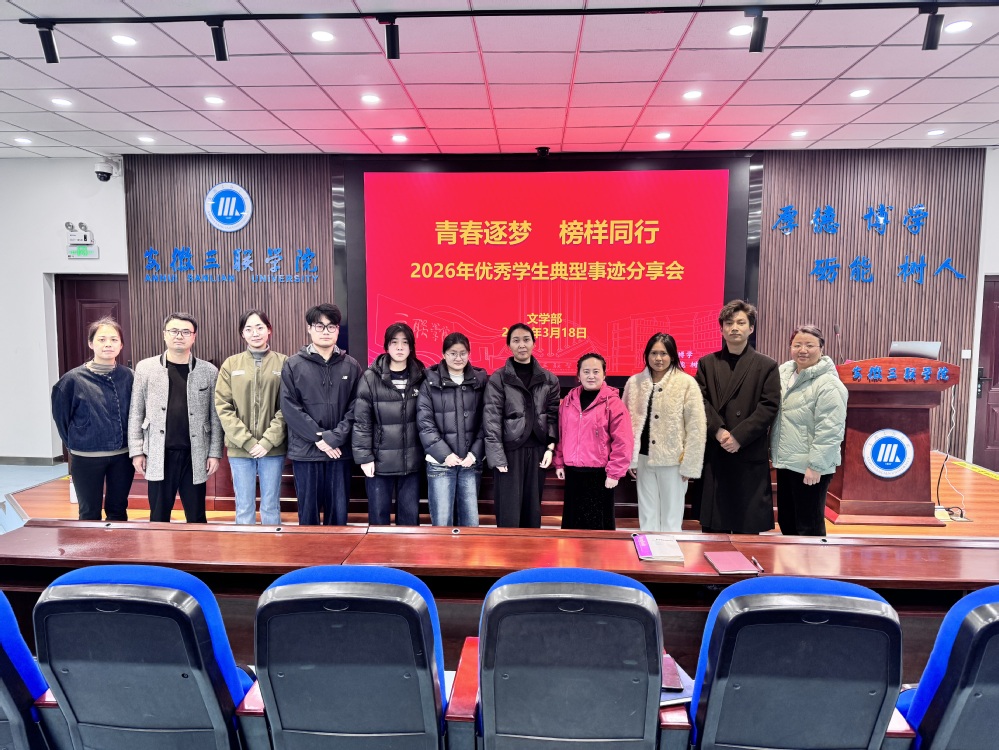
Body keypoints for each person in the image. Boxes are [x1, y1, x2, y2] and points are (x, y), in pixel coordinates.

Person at [694, 300, 780, 534]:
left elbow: (769, 406)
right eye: (729, 323)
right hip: (717, 449)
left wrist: (739, 437)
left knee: (747, 532)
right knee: (714, 532)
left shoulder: (767, 365)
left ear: (751, 328)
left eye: (741, 323)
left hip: (747, 450)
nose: (734, 328)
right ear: (721, 329)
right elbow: (699, 401)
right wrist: (718, 430)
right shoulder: (707, 363)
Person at [128, 312, 223, 523]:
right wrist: (137, 451)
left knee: (197, 517)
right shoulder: (145, 368)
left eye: (186, 332)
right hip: (158, 452)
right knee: (159, 516)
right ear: (164, 334)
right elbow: (136, 411)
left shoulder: (209, 371)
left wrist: (215, 453)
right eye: (174, 331)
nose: (179, 336)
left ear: (194, 336)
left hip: (195, 454)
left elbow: (215, 416)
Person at [281, 303, 361, 526]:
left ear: (337, 330)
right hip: (306, 452)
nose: (325, 331)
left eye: (331, 326)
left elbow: (357, 407)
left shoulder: (351, 366)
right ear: (309, 329)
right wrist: (319, 438)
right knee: (308, 517)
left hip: (339, 452)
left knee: (338, 516)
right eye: (319, 326)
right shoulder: (293, 365)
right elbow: (289, 407)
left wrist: (334, 438)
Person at [51, 316, 134, 522]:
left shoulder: (130, 376)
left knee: (118, 509)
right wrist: (77, 443)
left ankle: (118, 543)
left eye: (114, 340)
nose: (108, 344)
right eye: (102, 339)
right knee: (89, 512)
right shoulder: (71, 380)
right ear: (90, 343)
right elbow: (61, 419)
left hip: (123, 456)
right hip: (85, 456)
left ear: (121, 345)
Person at [622, 334, 706, 533]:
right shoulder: (634, 383)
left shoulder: (686, 383)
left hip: (673, 461)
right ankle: (648, 551)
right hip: (643, 459)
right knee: (647, 514)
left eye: (663, 353)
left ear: (673, 356)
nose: (658, 358)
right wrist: (628, 459)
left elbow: (696, 427)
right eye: (653, 353)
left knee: (671, 517)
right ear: (646, 355)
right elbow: (624, 424)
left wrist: (690, 464)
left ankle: (670, 551)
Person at [770, 325, 848, 537]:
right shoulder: (783, 374)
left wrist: (816, 466)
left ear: (821, 348)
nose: (802, 350)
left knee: (809, 527)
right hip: (786, 462)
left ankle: (813, 561)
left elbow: (830, 429)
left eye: (810, 345)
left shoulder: (829, 384)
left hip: (810, 468)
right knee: (788, 522)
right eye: (797, 345)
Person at [483, 323, 560, 528]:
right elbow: (491, 418)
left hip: (538, 451)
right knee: (508, 511)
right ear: (509, 345)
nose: (522, 345)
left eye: (526, 340)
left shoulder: (549, 379)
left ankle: (531, 549)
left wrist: (550, 448)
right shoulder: (499, 378)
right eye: (516, 340)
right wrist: (497, 456)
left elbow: (553, 416)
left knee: (532, 510)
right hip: (509, 452)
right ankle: (508, 549)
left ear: (534, 343)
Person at [215, 310, 287, 526]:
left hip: (272, 449)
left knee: (271, 505)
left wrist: (267, 441)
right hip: (240, 449)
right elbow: (223, 406)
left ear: (269, 330)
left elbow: (287, 407)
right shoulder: (231, 364)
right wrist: (246, 441)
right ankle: (244, 547)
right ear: (242, 334)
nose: (255, 333)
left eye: (259, 327)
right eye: (249, 329)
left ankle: (272, 547)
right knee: (244, 506)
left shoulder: (284, 363)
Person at [353, 323, 426, 526]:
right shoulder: (371, 377)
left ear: (411, 347)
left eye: (405, 342)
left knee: (410, 522)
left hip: (412, 462)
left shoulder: (421, 376)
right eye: (394, 342)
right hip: (379, 463)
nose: (400, 347)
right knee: (378, 521)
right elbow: (362, 421)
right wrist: (365, 457)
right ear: (386, 346)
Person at [554, 353, 633, 530]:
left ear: (604, 375)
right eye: (586, 371)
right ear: (578, 375)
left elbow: (623, 441)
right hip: (573, 473)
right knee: (573, 530)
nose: (591, 376)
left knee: (598, 532)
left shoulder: (614, 404)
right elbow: (561, 433)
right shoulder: (568, 402)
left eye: (596, 371)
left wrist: (614, 473)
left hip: (600, 476)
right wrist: (559, 462)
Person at [417, 333, 488, 527]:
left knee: (470, 524)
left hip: (470, 463)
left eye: (463, 353)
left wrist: (475, 454)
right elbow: (425, 423)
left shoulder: (480, 382)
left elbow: (487, 422)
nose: (458, 358)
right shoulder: (429, 382)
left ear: (469, 353)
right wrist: (444, 454)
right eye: (452, 353)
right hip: (440, 463)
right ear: (443, 354)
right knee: (442, 523)